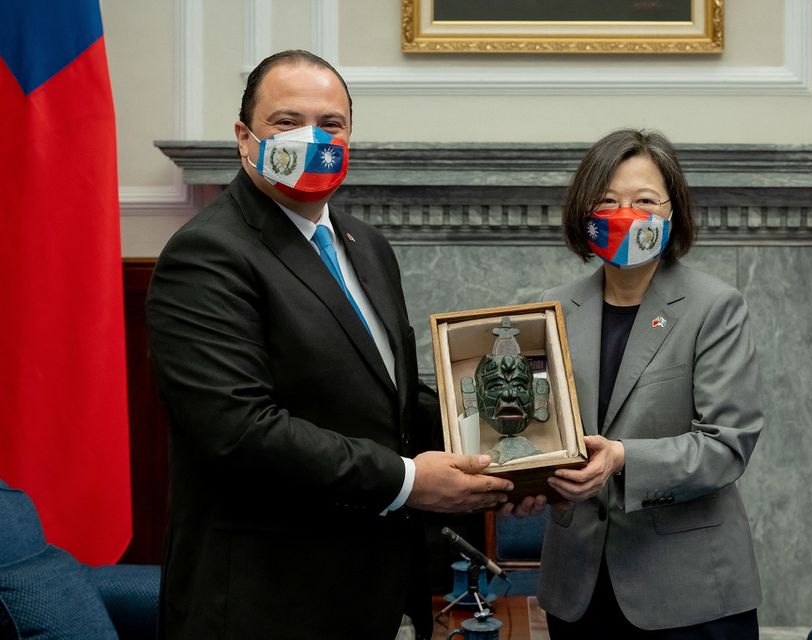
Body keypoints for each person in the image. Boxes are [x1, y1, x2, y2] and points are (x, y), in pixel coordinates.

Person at [145, 50, 514, 640]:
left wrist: (509, 453)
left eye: (331, 125)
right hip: (265, 600)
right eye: (287, 123)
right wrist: (410, 481)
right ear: (244, 138)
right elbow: (238, 431)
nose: (313, 139)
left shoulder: (364, 245)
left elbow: (390, 404)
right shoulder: (208, 254)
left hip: (376, 588)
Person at [537, 129, 764, 638]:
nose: (626, 215)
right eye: (608, 201)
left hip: (690, 593)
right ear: (583, 213)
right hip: (577, 588)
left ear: (672, 211)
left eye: (644, 201)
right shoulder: (551, 308)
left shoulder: (714, 307)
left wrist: (622, 458)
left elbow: (727, 446)